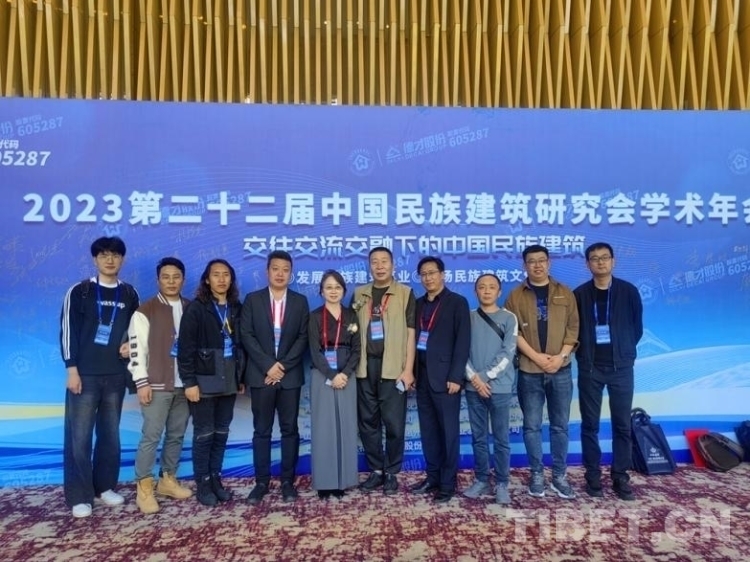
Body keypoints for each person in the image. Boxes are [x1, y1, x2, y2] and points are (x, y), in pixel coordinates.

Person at [60, 236, 140, 518]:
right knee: (79, 438)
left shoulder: (129, 293)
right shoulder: (80, 291)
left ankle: (104, 486)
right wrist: (71, 369)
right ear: (95, 259)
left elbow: (138, 329)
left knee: (110, 435)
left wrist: (131, 345)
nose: (110, 260)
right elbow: (67, 331)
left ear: (122, 259)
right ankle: (79, 496)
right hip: (84, 375)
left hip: (115, 375)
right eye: (104, 255)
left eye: (115, 255)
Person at [504, 244, 579, 500]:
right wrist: (536, 357)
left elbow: (573, 329)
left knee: (560, 426)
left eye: (541, 260)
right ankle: (536, 474)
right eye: (532, 261)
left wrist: (561, 357)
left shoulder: (565, 293)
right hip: (529, 370)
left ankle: (559, 475)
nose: (537, 265)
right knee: (531, 426)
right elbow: (513, 333)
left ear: (549, 263)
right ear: (524, 265)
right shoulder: (515, 296)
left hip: (561, 369)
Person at [574, 242, 643, 501]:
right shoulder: (580, 294)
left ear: (613, 261)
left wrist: (624, 351)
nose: (600, 262)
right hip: (591, 367)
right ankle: (592, 476)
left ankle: (620, 476)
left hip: (621, 368)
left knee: (622, 425)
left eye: (605, 257)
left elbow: (637, 328)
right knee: (589, 425)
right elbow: (574, 329)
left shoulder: (628, 291)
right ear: (587, 264)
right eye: (594, 258)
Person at [241, 250, 309, 505]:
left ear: (291, 274)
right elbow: (246, 335)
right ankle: (261, 482)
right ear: (267, 271)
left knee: (290, 430)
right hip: (261, 376)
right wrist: (268, 366)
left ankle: (288, 482)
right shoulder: (253, 300)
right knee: (262, 430)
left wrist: (282, 367)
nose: (280, 274)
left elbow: (303, 337)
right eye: (275, 269)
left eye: (285, 270)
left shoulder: (300, 302)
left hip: (289, 377)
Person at [128, 257, 193, 514]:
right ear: (158, 280)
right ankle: (144, 488)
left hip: (184, 386)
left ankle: (167, 480)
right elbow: (136, 350)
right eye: (166, 277)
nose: (171, 281)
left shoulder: (191, 308)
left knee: (176, 434)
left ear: (183, 280)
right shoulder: (145, 311)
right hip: (155, 385)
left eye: (176, 277)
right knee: (151, 436)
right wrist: (141, 382)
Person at [177, 259, 244, 507]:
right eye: (216, 274)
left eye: (226, 274)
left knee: (221, 432)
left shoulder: (236, 307)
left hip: (229, 377)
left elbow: (241, 344)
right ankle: (203, 484)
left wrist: (240, 376)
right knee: (204, 434)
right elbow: (185, 349)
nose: (221, 279)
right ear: (207, 279)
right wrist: (189, 382)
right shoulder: (196, 309)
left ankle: (216, 479)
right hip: (204, 380)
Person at [351, 246, 416, 495]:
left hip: (393, 368)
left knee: (394, 424)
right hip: (365, 367)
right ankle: (376, 470)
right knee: (368, 422)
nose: (379, 266)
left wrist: (408, 370)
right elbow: (351, 328)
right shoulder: (359, 293)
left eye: (384, 261)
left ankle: (391, 472)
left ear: (393, 265)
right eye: (374, 262)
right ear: (369, 266)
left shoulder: (405, 293)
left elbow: (411, 334)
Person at [410, 256, 471, 503]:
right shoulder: (417, 304)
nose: (428, 278)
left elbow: (463, 342)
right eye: (423, 274)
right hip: (422, 377)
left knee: (448, 433)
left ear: (443, 274)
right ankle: (432, 477)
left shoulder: (457, 302)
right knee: (429, 431)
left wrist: (456, 376)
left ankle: (448, 483)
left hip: (446, 379)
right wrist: (411, 372)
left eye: (432, 273)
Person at [463, 274, 518, 505]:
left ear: (499, 291)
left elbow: (508, 352)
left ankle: (502, 482)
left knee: (501, 438)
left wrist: (484, 377)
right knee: (478, 437)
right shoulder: (467, 317)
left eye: (492, 287)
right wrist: (474, 379)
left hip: (500, 387)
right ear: (475, 291)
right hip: (473, 387)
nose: (487, 291)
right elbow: (460, 352)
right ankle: (482, 479)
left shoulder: (509, 318)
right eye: (482, 287)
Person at [308, 270, 361, 499]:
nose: (333, 291)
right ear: (321, 291)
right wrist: (331, 374)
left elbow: (357, 349)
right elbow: (314, 351)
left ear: (344, 291)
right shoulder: (314, 317)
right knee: (324, 429)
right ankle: (325, 482)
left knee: (346, 427)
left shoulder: (351, 316)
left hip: (347, 377)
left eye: (337, 287)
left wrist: (345, 374)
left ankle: (343, 480)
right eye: (328, 287)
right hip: (322, 376)